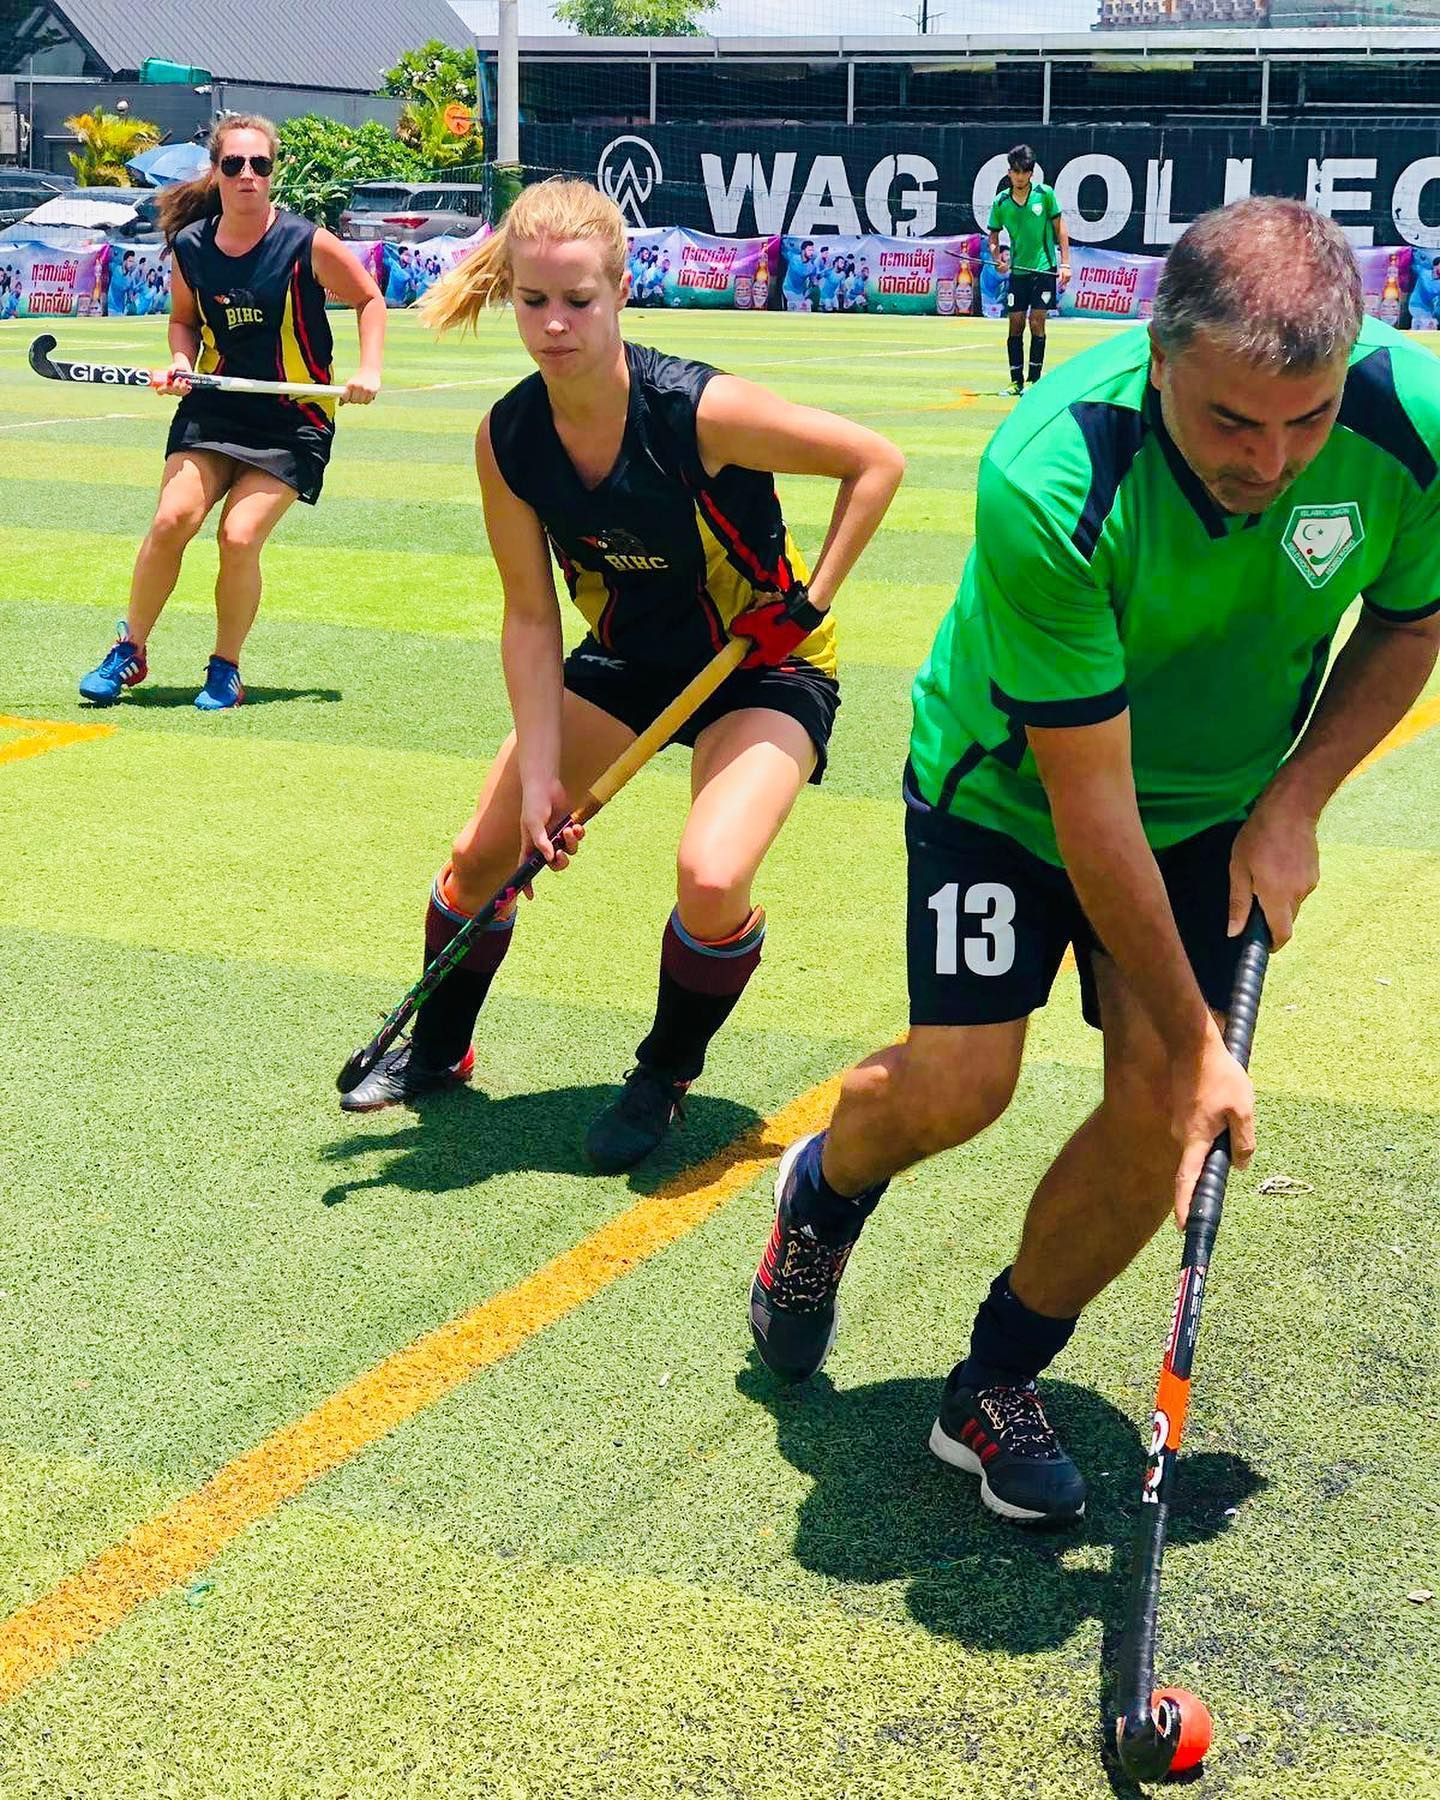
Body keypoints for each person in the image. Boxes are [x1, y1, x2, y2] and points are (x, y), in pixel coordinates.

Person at [749, 197, 1440, 1526]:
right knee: (962, 1084)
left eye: (1304, 421)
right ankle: (822, 1194)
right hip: (1010, 793)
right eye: (1233, 421)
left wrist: (1294, 805)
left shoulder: (1408, 423)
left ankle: (995, 1379)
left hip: (1216, 806)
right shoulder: (1053, 473)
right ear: (1160, 354)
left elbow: (1410, 627)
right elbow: (1091, 804)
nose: (1273, 460)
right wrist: (1199, 1038)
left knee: (1156, 1119)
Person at [340, 179, 905, 1177]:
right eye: (533, 303)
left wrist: (808, 601)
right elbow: (529, 615)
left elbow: (875, 463)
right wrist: (540, 780)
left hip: (761, 670)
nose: (555, 326)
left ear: (621, 291)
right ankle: (438, 1051)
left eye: (578, 302)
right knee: (482, 855)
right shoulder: (509, 439)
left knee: (713, 875)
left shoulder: (699, 409)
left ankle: (663, 1073)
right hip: (627, 662)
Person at [77, 114, 385, 710]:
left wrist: (368, 370)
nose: (248, 175)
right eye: (234, 164)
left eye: (260, 165)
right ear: (216, 171)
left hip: (294, 417)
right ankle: (129, 650)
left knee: (238, 537)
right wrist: (177, 361)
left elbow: (369, 299)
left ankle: (225, 668)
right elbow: (184, 320)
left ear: (274, 171)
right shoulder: (191, 247)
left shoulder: (306, 243)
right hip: (214, 409)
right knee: (172, 521)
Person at [988, 144, 1071, 397]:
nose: (1020, 176)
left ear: (1032, 173)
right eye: (1016, 172)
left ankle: (1034, 381)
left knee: (1037, 322)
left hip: (1045, 269)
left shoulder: (1045, 194)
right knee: (1014, 325)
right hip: (1018, 273)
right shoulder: (1001, 202)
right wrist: (998, 257)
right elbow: (993, 236)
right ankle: (1016, 381)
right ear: (1009, 173)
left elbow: (1060, 229)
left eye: (1025, 172)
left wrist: (1065, 263)